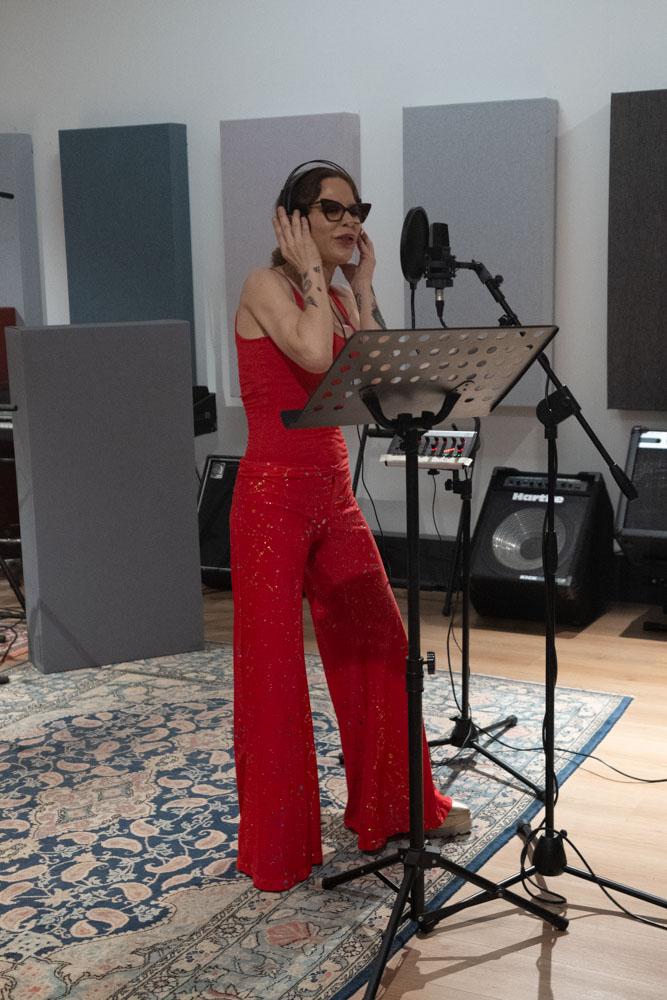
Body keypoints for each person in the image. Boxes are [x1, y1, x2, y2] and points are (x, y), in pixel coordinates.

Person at [230, 160, 470, 892]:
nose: (349, 222)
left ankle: (396, 806)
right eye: (330, 210)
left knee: (381, 647)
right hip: (271, 500)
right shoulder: (265, 285)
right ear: (292, 220)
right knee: (274, 674)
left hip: (332, 494)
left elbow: (381, 384)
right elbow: (309, 354)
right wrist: (312, 276)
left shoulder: (335, 297)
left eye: (355, 209)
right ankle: (279, 846)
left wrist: (361, 290)